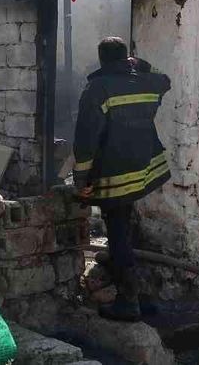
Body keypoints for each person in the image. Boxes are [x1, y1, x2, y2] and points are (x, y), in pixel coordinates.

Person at [73, 36, 171, 322]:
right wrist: (138, 65)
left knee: (116, 233)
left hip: (115, 176)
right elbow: (165, 79)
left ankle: (129, 302)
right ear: (127, 58)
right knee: (123, 230)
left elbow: (85, 142)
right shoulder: (148, 82)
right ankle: (139, 295)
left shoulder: (97, 89)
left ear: (102, 59)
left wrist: (81, 180)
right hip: (143, 170)